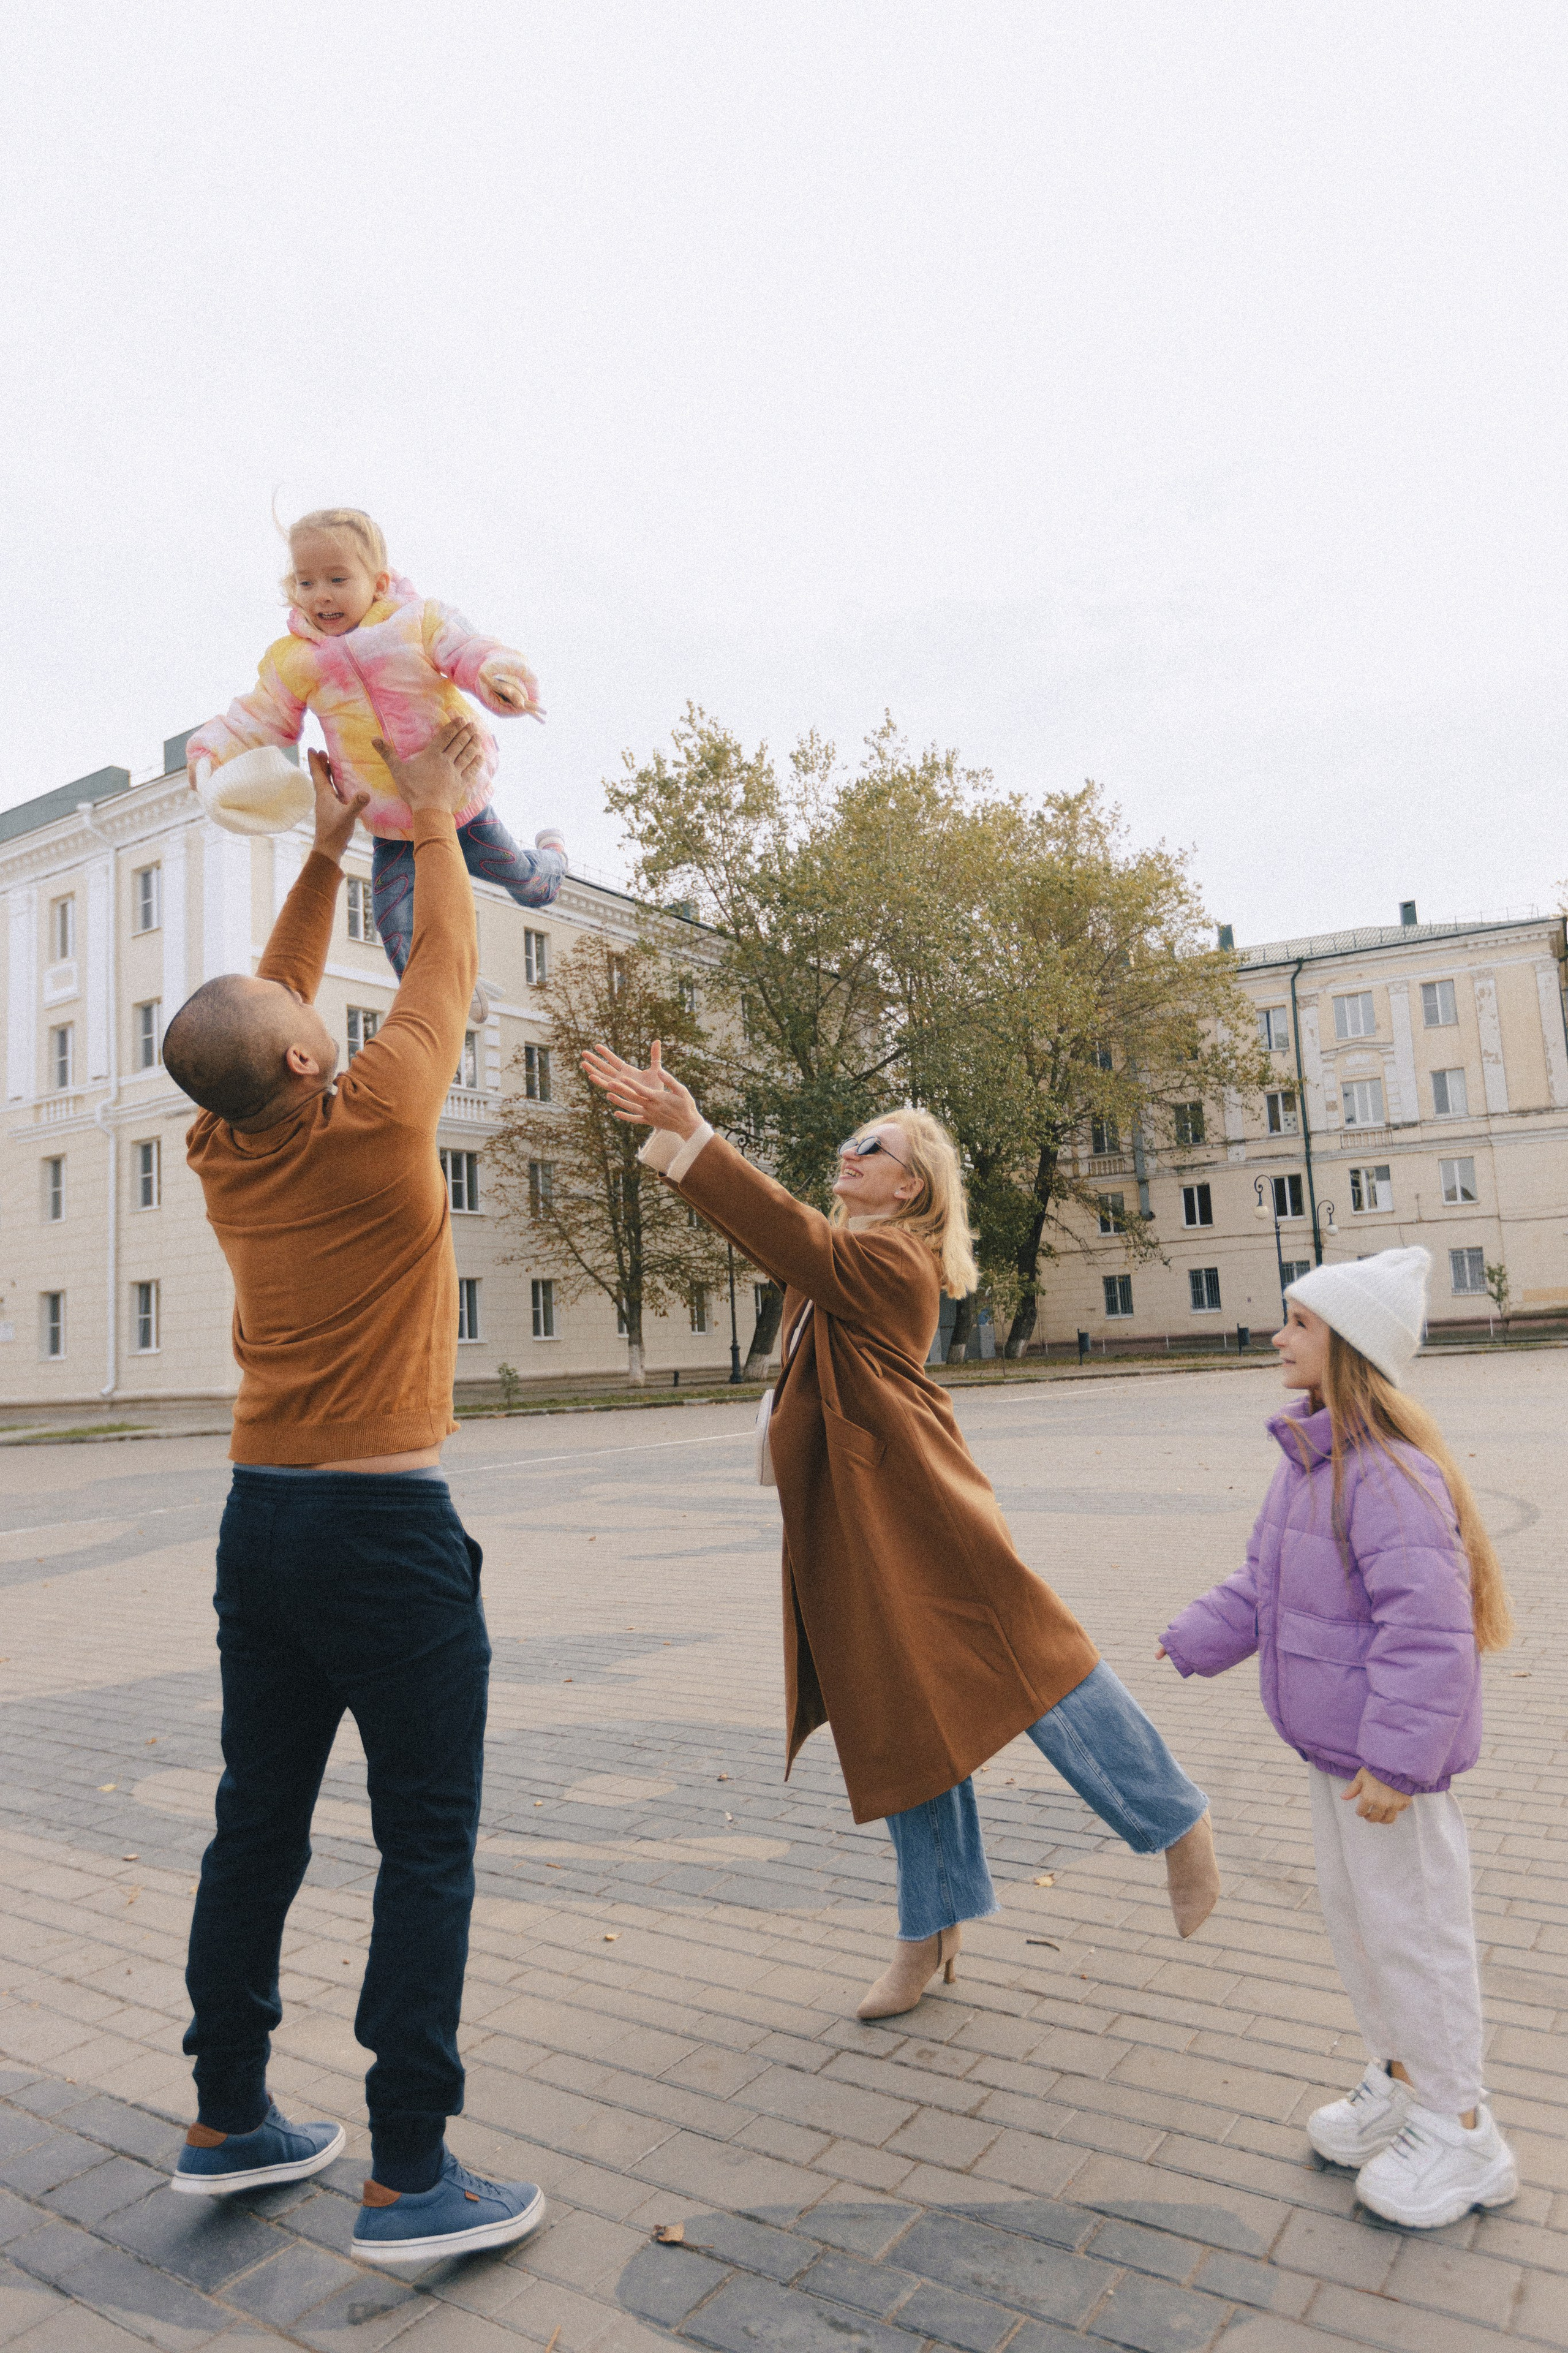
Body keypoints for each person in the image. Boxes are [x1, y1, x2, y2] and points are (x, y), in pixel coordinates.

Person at [581, 1043, 1221, 2020]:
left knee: (1037, 1664)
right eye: (848, 1142)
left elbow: (793, 1238)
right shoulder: (846, 1251)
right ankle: (932, 1927)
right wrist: (682, 1141)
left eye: (866, 1146)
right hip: (858, 1520)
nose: (847, 1152)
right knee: (897, 1713)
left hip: (922, 1508)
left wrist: (696, 1134)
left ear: (908, 1184)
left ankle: (1175, 1820)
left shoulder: (890, 1258)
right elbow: (780, 1240)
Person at [160, 722, 546, 2267]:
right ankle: (408, 2171)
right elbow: (446, 956)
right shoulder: (380, 1125)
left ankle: (228, 2112)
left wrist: (323, 850)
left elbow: (258, 1020)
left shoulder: (217, 1140)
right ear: (315, 1057)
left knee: (256, 1818)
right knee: (425, 1844)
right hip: (383, 1534)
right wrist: (435, 818)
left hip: (260, 1520)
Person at [1159, 1248, 1518, 2230]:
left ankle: (1465, 2131)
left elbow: (1432, 1632)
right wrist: (1197, 1636)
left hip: (1388, 1768)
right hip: (1339, 1756)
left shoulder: (1391, 1476)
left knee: (1417, 1936)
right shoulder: (1312, 1463)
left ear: (1347, 1347)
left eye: (1298, 1323)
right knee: (1362, 1931)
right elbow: (1266, 1588)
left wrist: (1398, 1762)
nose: (1278, 1336)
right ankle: (1402, 2082)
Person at [185, 505, 565, 986]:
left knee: (525, 883)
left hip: (460, 800)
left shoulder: (417, 623)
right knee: (395, 928)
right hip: (391, 822)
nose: (320, 596)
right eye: (306, 583)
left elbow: (469, 650)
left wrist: (500, 677)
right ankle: (446, 997)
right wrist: (210, 752)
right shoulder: (296, 660)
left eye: (337, 579)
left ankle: (553, 859)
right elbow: (261, 717)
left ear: (379, 583)